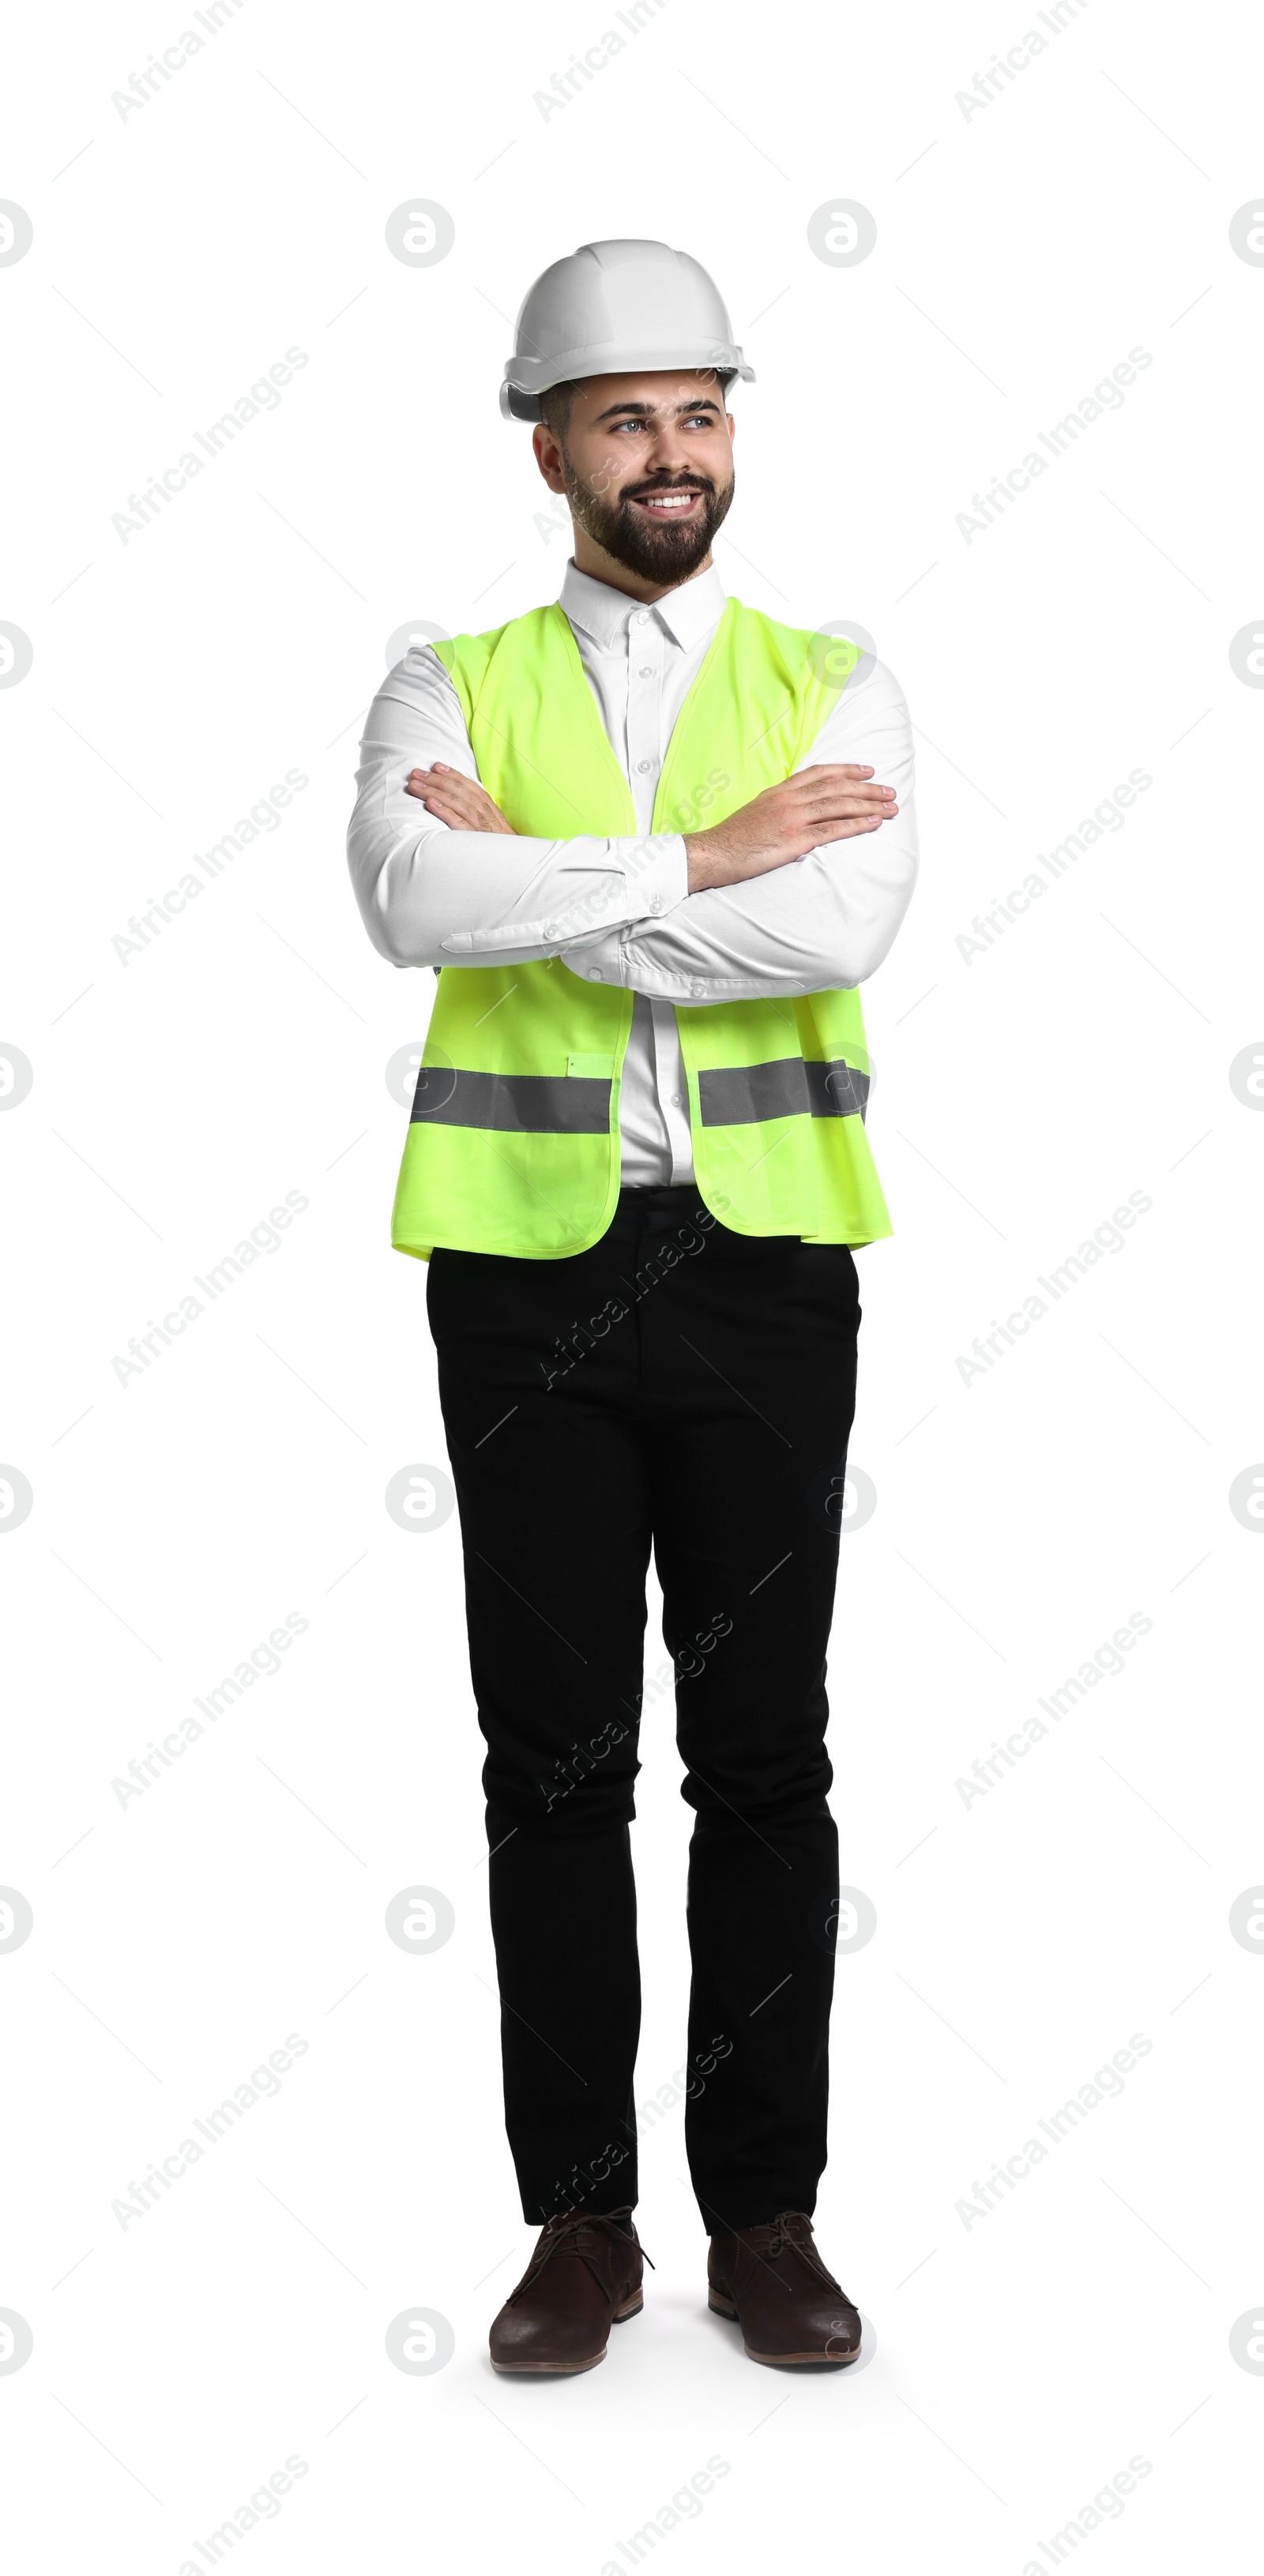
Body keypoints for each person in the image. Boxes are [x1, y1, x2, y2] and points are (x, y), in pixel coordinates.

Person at [347, 238, 919, 2374]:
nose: (670, 453)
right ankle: (581, 2225)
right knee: (554, 1763)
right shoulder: (446, 680)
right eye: (625, 418)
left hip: (767, 1266)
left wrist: (560, 890)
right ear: (549, 445)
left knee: (767, 1760)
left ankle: (763, 2215)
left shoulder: (833, 677)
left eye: (698, 413)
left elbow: (838, 920)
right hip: (525, 1277)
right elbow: (413, 898)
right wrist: (703, 860)